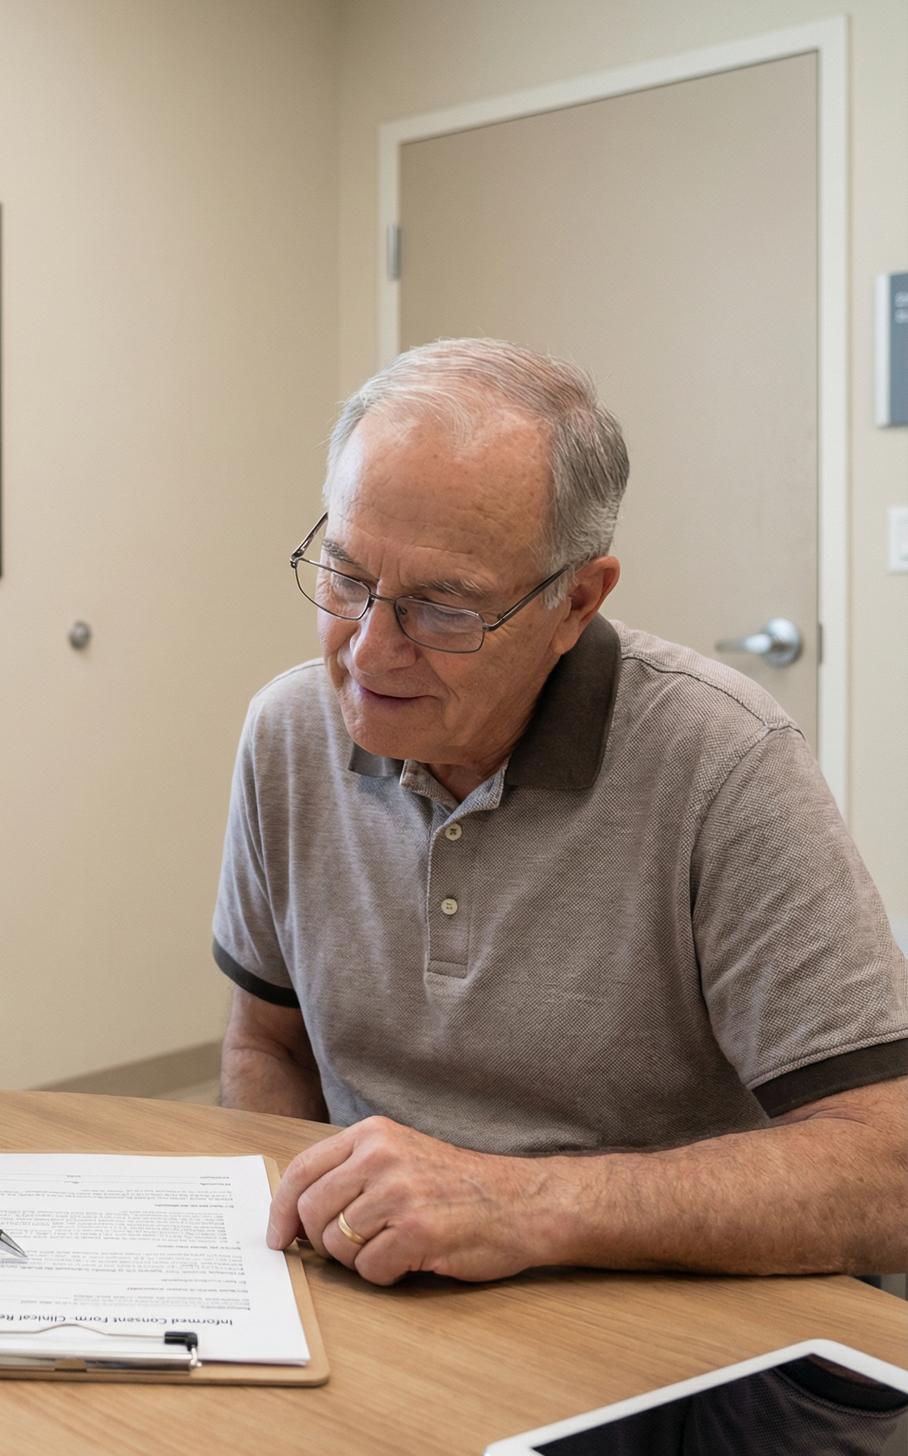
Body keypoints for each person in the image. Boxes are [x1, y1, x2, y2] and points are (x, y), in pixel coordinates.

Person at [214, 338, 907, 1285]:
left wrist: (521, 1204)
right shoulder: (289, 731)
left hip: (661, 1330)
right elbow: (266, 1042)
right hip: (385, 1299)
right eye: (345, 577)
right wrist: (288, 1249)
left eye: (443, 609)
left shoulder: (723, 762)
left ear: (578, 600)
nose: (368, 655)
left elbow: (887, 1170)